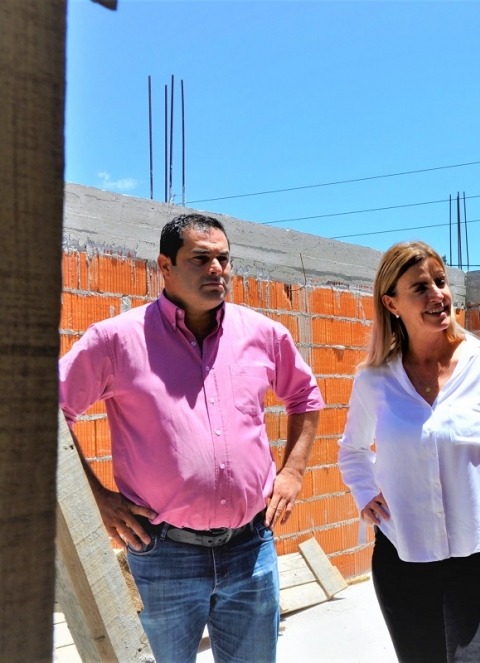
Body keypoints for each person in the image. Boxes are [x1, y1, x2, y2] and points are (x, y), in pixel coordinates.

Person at [59, 213, 324, 663]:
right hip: (161, 555)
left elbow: (305, 397)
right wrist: (96, 498)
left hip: (251, 550)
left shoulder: (263, 335)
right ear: (165, 266)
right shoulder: (116, 341)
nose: (216, 269)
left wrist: (293, 471)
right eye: (200, 259)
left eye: (223, 258)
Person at [338, 240, 480, 663]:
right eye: (420, 287)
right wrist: (365, 494)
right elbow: (352, 450)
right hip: (402, 559)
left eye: (441, 281)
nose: (438, 294)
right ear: (392, 303)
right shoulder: (375, 381)